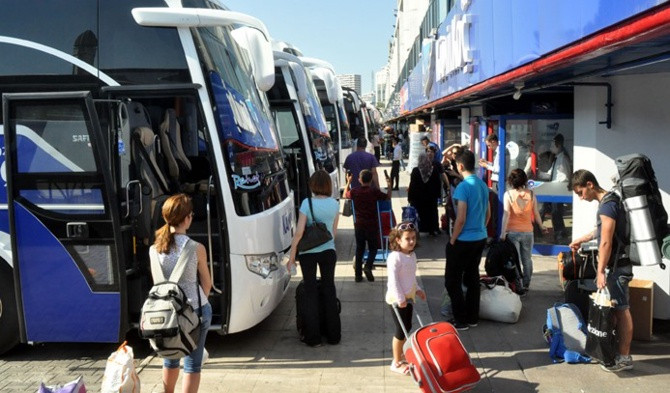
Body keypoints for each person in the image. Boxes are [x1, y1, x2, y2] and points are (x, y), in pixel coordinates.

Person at [568, 169, 634, 372]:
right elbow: (601, 230)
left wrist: (600, 271)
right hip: (617, 265)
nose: (580, 198)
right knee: (615, 309)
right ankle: (612, 352)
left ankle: (624, 358)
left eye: (581, 192)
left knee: (622, 310)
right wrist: (582, 239)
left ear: (590, 184)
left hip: (616, 267)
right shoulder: (610, 202)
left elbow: (606, 241)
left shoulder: (607, 204)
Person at [150, 193, 212, 393]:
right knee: (193, 365)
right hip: (194, 311)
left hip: (166, 314)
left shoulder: (154, 250)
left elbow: (158, 284)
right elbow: (207, 283)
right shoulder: (196, 248)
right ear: (187, 218)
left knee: (170, 361)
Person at [288, 170, 341, 347]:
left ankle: (314, 338)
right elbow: (333, 232)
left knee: (310, 292)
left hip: (308, 253)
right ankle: (334, 336)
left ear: (313, 185)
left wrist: (292, 255)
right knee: (329, 289)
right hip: (328, 251)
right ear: (328, 185)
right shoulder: (334, 204)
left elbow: (299, 232)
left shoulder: (306, 203)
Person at [446, 149, 490, 330]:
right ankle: (473, 318)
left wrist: (452, 239)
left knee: (452, 280)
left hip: (463, 240)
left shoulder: (463, 187)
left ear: (460, 165)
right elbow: (488, 214)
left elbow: (461, 218)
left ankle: (460, 320)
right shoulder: (482, 185)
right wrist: (480, 229)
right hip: (480, 237)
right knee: (472, 278)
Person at [385, 221, 426, 375]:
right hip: (397, 300)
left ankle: (401, 354)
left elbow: (411, 277)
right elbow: (393, 280)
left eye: (413, 238)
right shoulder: (395, 257)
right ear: (398, 240)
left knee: (407, 326)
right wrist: (400, 298)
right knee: (400, 331)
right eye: (407, 239)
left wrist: (418, 290)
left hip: (408, 297)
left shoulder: (412, 255)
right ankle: (395, 362)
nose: (411, 242)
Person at [500, 169, 548, 291]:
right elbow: (536, 213)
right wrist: (542, 226)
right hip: (528, 232)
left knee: (515, 260)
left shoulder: (508, 195)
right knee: (527, 259)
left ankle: (518, 284)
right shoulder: (531, 194)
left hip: (512, 232)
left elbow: (506, 214)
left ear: (511, 181)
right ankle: (526, 283)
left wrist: (502, 233)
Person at [344, 169, 392, 282]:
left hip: (359, 225)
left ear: (359, 180)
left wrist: (348, 182)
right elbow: (387, 197)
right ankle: (368, 266)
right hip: (372, 224)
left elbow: (345, 194)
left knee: (359, 249)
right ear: (371, 180)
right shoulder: (374, 191)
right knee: (373, 248)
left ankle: (358, 275)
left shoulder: (355, 191)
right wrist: (389, 185)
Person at [546, 133, 572, 242]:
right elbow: (551, 173)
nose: (551, 147)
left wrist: (555, 183)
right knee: (554, 213)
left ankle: (560, 235)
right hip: (553, 189)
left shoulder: (563, 159)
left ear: (558, 145)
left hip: (558, 190)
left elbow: (565, 176)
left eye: (553, 145)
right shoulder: (557, 158)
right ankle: (559, 233)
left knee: (556, 213)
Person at [408, 152, 442, 236]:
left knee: (419, 213)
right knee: (432, 213)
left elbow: (412, 185)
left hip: (418, 198)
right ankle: (433, 229)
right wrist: (438, 195)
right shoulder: (434, 170)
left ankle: (419, 229)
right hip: (431, 197)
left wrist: (410, 197)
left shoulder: (416, 170)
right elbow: (438, 183)